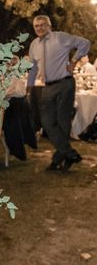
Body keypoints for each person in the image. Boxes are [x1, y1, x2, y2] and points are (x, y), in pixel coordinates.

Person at [27, 14, 90, 171]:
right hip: (47, 86)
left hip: (65, 83)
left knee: (62, 121)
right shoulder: (34, 45)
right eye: (37, 26)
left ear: (49, 26)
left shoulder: (60, 37)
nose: (40, 28)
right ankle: (70, 154)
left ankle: (58, 160)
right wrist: (29, 86)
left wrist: (74, 61)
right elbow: (33, 67)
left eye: (43, 25)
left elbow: (85, 43)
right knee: (46, 121)